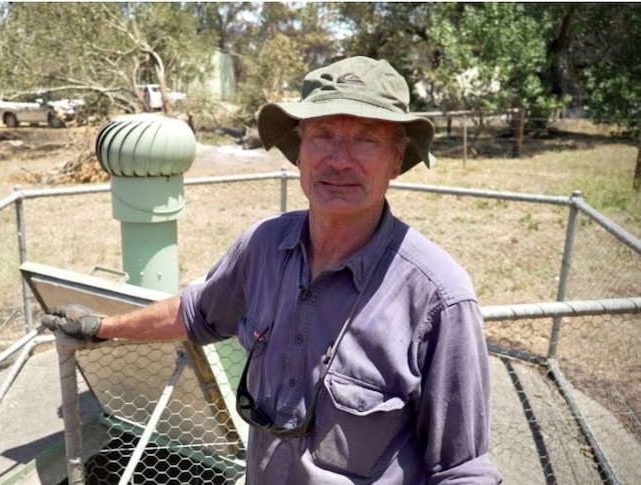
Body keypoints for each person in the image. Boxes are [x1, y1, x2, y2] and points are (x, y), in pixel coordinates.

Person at [42, 56, 502, 484]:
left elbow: (462, 469)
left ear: (396, 160)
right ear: (299, 150)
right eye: (322, 135)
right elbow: (196, 313)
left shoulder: (438, 297)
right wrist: (103, 327)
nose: (339, 159)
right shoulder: (264, 246)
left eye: (366, 138)